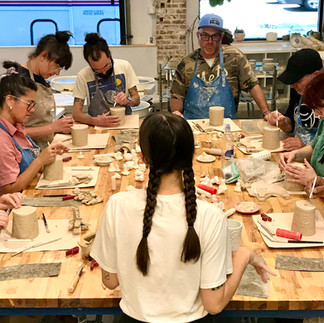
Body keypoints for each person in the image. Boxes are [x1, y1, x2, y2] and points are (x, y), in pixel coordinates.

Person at [91, 112, 275, 323]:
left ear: (143, 157)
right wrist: (244, 255)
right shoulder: (210, 216)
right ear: (192, 155)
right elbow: (213, 304)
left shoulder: (116, 206)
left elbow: (111, 281)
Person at [170, 13, 270, 120]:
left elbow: (252, 85)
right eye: (205, 35)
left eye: (215, 36)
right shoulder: (186, 63)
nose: (210, 41)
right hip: (193, 125)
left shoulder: (234, 57)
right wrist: (176, 114)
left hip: (227, 125)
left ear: (221, 36)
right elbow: (177, 95)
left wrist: (266, 113)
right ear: (197, 36)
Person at [0, 62, 68, 195]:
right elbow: (8, 190)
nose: (33, 110)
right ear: (10, 101)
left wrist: (50, 154)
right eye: (29, 104)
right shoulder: (2, 139)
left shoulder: (17, 126)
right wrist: (40, 160)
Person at [19, 31, 74, 150]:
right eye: (57, 67)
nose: (57, 73)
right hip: (24, 154)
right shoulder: (19, 81)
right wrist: (52, 128)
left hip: (43, 149)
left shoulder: (40, 78)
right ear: (44, 56)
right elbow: (11, 133)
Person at [72, 33, 140, 127]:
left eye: (106, 66)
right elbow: (76, 114)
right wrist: (95, 121)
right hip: (98, 127)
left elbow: (136, 100)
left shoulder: (124, 66)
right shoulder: (83, 76)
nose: (103, 72)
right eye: (97, 69)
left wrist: (127, 101)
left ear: (109, 55)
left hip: (124, 124)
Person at [266, 48, 323, 151]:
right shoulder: (298, 91)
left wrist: (305, 148)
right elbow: (291, 125)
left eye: (298, 81)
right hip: (296, 154)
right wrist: (283, 122)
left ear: (316, 75)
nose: (292, 86)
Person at [278, 71, 324, 189]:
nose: (316, 113)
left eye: (319, 107)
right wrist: (295, 154)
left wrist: (317, 180)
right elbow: (315, 148)